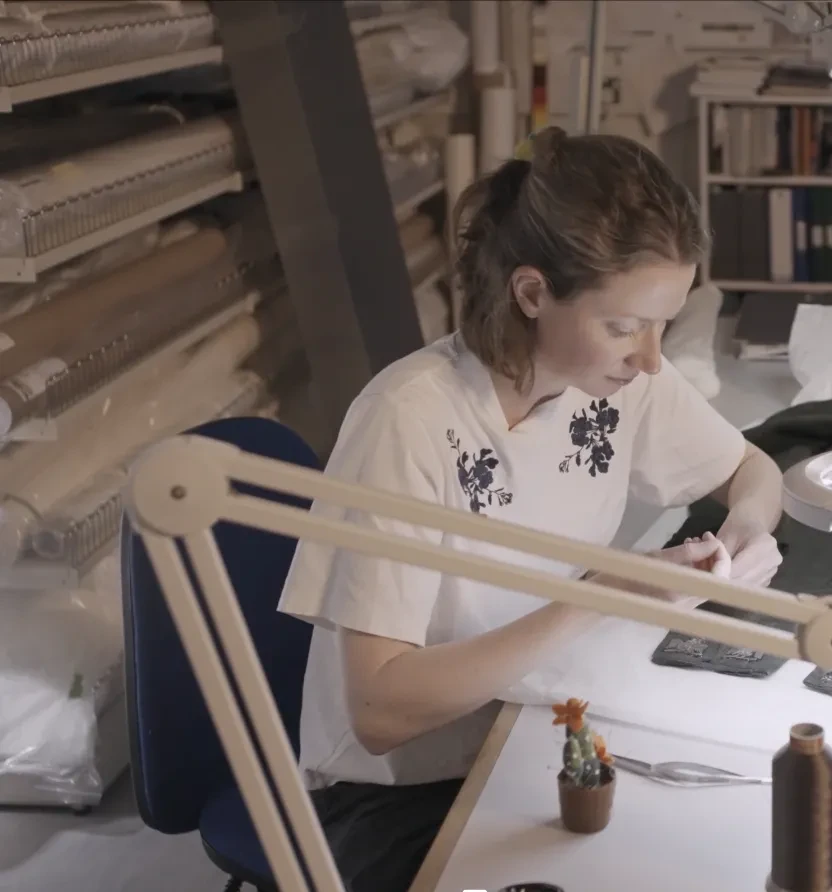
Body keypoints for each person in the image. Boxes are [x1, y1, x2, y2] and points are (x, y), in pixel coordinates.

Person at [277, 126, 784, 892]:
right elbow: (379, 709)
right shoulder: (410, 420)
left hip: (526, 740)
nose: (650, 356)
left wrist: (749, 528)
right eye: (624, 325)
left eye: (662, 324)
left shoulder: (618, 383)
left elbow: (752, 467)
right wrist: (604, 594)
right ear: (533, 292)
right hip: (398, 796)